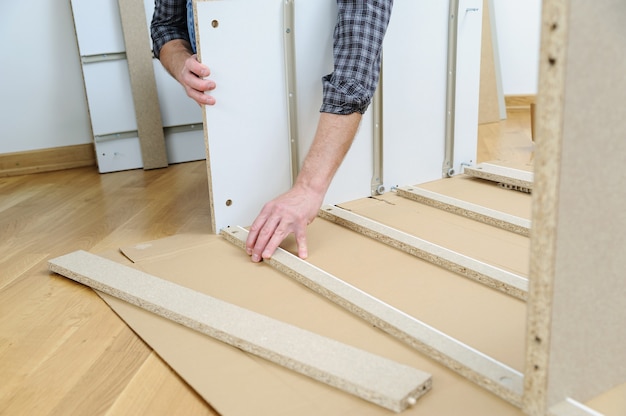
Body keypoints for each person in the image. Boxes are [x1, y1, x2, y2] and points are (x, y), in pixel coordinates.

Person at [151, 0, 393, 262]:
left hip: (329, 173)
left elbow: (355, 68)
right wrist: (181, 64)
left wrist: (308, 189)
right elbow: (166, 26)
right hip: (238, 161)